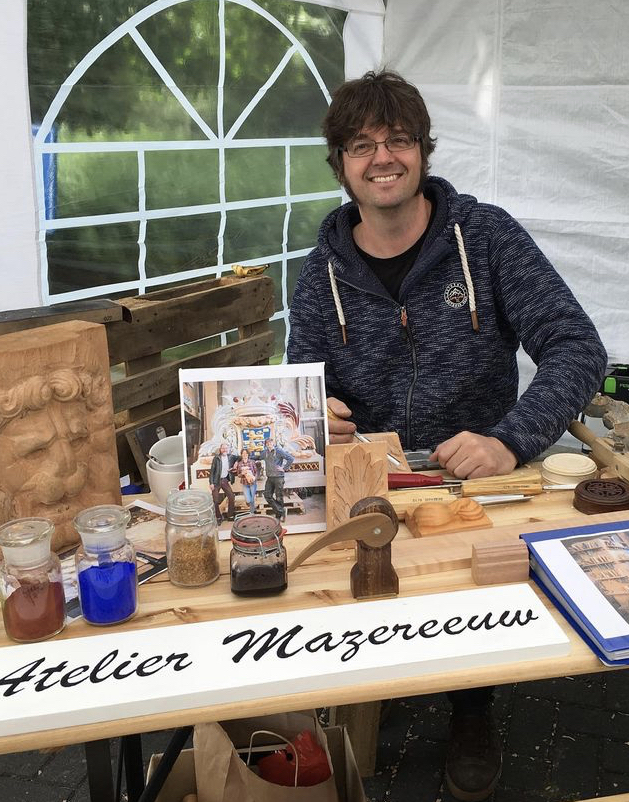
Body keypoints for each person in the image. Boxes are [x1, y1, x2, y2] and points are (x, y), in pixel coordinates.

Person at [287, 70, 607, 801]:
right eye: (362, 145)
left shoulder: (485, 237)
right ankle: (364, 689)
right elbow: (299, 382)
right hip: (371, 484)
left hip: (477, 479)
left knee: (473, 604)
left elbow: (575, 346)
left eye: (398, 139)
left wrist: (510, 439)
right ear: (340, 164)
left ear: (423, 151)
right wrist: (314, 412)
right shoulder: (320, 271)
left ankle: (470, 707)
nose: (383, 158)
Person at [262, 438, 294, 521]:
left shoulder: (279, 451)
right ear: (266, 444)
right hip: (270, 477)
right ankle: (281, 511)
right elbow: (256, 457)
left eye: (270, 442)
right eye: (267, 443)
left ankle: (279, 515)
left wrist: (284, 468)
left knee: (279, 497)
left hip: (279, 477)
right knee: (267, 495)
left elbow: (290, 458)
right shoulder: (265, 452)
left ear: (273, 443)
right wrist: (242, 458)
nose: (269, 444)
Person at [209, 442, 236, 524]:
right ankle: (218, 517)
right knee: (215, 500)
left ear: (228, 449)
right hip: (216, 481)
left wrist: (236, 463)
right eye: (223, 448)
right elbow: (212, 471)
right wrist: (211, 483)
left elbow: (240, 458)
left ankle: (230, 515)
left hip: (224, 480)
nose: (225, 450)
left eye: (226, 448)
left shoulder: (230, 457)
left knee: (231, 497)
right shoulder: (216, 458)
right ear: (220, 449)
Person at [233, 447, 258, 515]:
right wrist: (242, 473)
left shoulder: (252, 462)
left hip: (252, 483)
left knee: (252, 498)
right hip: (245, 483)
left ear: (248, 454)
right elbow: (238, 475)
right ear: (241, 455)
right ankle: (250, 506)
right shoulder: (239, 464)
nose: (244, 455)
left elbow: (256, 472)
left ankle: (252, 512)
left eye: (246, 453)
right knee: (248, 499)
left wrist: (254, 478)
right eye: (243, 453)